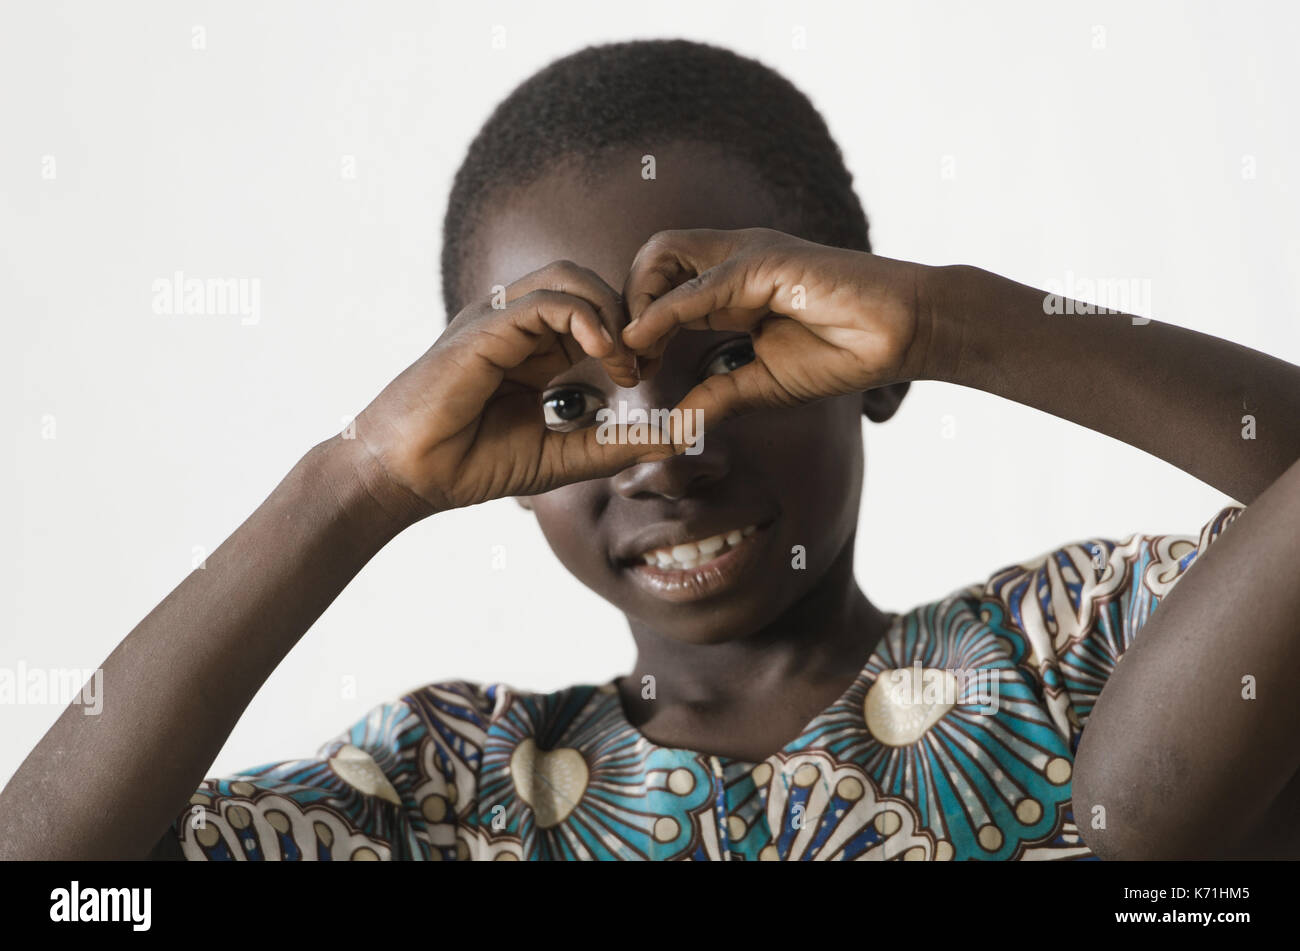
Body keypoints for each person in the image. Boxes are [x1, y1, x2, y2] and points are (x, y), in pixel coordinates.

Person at [3, 39, 1299, 862]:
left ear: (872, 366)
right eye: (568, 405)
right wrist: (353, 482)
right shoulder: (443, 791)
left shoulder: (1073, 651)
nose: (663, 454)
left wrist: (963, 318)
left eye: (732, 357)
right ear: (484, 452)